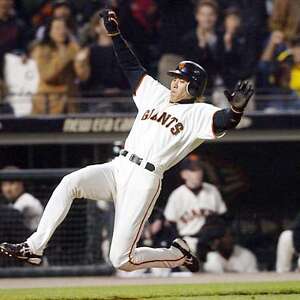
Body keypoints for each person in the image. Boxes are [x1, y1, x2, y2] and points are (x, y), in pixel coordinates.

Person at [0, 9, 254, 273]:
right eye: (175, 78)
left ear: (193, 86)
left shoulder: (198, 112)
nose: (175, 82)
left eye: (181, 80)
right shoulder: (156, 94)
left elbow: (225, 121)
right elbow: (131, 67)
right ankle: (34, 247)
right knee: (70, 183)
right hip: (119, 166)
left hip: (145, 179)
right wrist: (115, 35)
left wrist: (235, 110)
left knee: (120, 260)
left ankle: (177, 256)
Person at [164, 157, 226, 254]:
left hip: (209, 243)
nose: (198, 173)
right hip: (187, 242)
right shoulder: (177, 195)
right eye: (193, 170)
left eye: (200, 169)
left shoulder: (212, 190)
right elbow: (170, 224)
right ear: (184, 174)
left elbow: (222, 218)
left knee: (214, 263)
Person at [31, 17, 85, 114]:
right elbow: (47, 75)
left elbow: (83, 76)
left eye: (64, 28)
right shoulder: (41, 49)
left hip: (71, 101)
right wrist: (64, 57)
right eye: (57, 28)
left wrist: (82, 62)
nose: (62, 31)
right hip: (47, 102)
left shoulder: (73, 47)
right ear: (49, 31)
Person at [1, 167, 43, 232]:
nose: (8, 189)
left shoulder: (27, 199)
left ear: (21, 184)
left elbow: (12, 215)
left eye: (12, 183)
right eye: (4, 184)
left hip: (36, 238)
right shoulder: (13, 203)